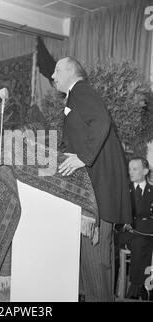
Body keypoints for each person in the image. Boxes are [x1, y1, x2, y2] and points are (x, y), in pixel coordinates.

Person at [51, 57, 132, 302]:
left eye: (56, 70)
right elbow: (79, 137)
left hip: (96, 191)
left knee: (96, 262)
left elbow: (101, 121)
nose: (53, 76)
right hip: (94, 190)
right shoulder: (75, 96)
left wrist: (83, 158)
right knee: (97, 262)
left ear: (71, 71)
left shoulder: (81, 90)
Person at [118, 157, 153, 300]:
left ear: (145, 171)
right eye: (129, 169)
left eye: (135, 169)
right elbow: (118, 216)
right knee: (142, 242)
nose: (130, 172)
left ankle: (137, 287)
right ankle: (141, 287)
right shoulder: (123, 191)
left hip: (145, 233)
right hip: (127, 233)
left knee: (143, 241)